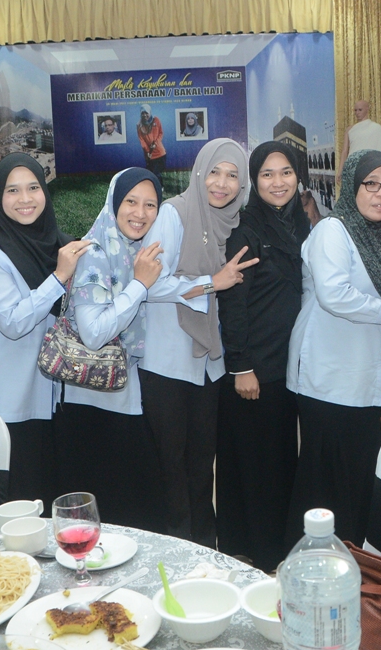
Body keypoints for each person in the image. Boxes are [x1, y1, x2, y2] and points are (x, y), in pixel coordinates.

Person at [286, 149, 381, 546]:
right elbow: (334, 295)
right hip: (327, 375)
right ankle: (310, 561)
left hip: (363, 377)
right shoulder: (333, 230)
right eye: (371, 184)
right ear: (351, 186)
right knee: (324, 484)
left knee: (356, 478)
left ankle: (352, 561)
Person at [139, 138, 258, 548]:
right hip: (168, 362)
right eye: (215, 172)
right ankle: (175, 553)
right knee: (172, 468)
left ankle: (206, 551)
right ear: (200, 172)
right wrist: (212, 282)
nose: (221, 184)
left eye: (232, 175)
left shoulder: (231, 223)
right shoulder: (174, 214)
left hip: (209, 363)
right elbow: (149, 285)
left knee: (202, 466)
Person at [0, 153, 91, 509]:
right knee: (16, 504)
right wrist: (59, 277)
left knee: (53, 500)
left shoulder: (60, 245)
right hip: (11, 397)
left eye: (33, 188)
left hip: (56, 396)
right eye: (13, 190)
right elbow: (13, 322)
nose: (25, 199)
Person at [217, 141, 310, 571]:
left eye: (286, 172)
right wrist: (241, 366)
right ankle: (261, 551)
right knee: (257, 466)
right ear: (255, 181)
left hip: (287, 368)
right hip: (255, 370)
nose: (278, 182)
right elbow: (233, 302)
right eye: (267, 174)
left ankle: (267, 545)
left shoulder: (301, 226)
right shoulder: (247, 229)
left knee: (277, 461)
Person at [60, 168, 168, 532]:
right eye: (131, 202)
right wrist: (139, 285)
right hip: (94, 400)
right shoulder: (96, 252)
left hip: (122, 392)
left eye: (150, 204)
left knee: (131, 510)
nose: (140, 213)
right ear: (113, 203)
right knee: (115, 512)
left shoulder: (135, 250)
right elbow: (93, 333)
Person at [338, 100, 381, 176]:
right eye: (355, 110)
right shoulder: (350, 129)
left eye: (360, 110)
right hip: (352, 168)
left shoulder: (376, 128)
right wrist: (340, 170)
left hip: (370, 167)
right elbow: (344, 151)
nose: (357, 113)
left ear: (367, 109)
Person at [137, 104, 166, 179]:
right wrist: (147, 152)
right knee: (151, 174)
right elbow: (142, 141)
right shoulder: (139, 125)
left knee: (156, 173)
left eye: (146, 113)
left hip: (160, 153)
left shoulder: (156, 120)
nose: (144, 115)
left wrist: (155, 144)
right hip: (149, 155)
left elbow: (161, 133)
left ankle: (159, 185)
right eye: (142, 113)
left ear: (150, 112)